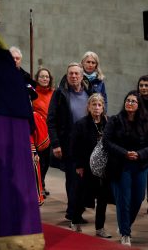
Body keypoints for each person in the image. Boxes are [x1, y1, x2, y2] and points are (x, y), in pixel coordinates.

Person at [47, 62, 92, 222]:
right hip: (69, 144)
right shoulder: (60, 94)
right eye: (70, 73)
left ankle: (75, 209)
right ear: (67, 75)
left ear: (82, 76)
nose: (73, 76)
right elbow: (51, 120)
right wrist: (56, 144)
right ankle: (73, 213)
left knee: (84, 180)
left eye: (76, 74)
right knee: (73, 180)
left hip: (87, 145)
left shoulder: (89, 92)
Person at [103, 90, 148, 246]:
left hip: (141, 165)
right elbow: (106, 142)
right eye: (128, 100)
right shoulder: (115, 120)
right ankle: (125, 234)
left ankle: (124, 225)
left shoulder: (145, 122)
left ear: (139, 105)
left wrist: (140, 154)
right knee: (124, 200)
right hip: (121, 166)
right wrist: (125, 153)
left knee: (138, 198)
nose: (130, 103)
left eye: (133, 101)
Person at [70, 93, 111, 239]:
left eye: (99, 105)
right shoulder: (81, 124)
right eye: (94, 104)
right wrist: (79, 165)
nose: (97, 107)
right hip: (85, 167)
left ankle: (100, 227)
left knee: (102, 199)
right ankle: (75, 221)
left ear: (103, 107)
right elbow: (75, 147)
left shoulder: (108, 123)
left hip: (103, 169)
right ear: (88, 106)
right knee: (81, 196)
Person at [32, 67, 54, 197]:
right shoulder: (33, 93)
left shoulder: (54, 93)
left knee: (47, 160)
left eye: (47, 77)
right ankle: (38, 185)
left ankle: (42, 182)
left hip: (50, 131)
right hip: (38, 132)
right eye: (42, 76)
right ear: (37, 78)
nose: (44, 79)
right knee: (40, 160)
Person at [137, 75, 148, 212]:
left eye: (146, 85)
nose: (144, 88)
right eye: (141, 85)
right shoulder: (135, 100)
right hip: (140, 145)